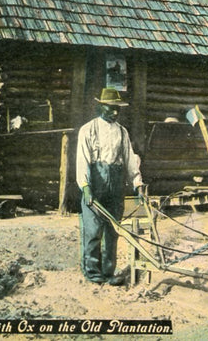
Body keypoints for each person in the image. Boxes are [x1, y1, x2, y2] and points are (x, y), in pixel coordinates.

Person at [76, 87, 145, 285]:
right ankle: (93, 272)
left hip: (115, 185)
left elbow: (131, 160)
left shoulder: (122, 132)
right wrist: (86, 187)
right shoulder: (88, 130)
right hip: (95, 184)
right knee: (93, 231)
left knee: (112, 231)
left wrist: (137, 184)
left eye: (118, 109)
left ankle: (108, 272)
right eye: (111, 108)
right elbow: (82, 160)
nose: (115, 112)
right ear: (100, 106)